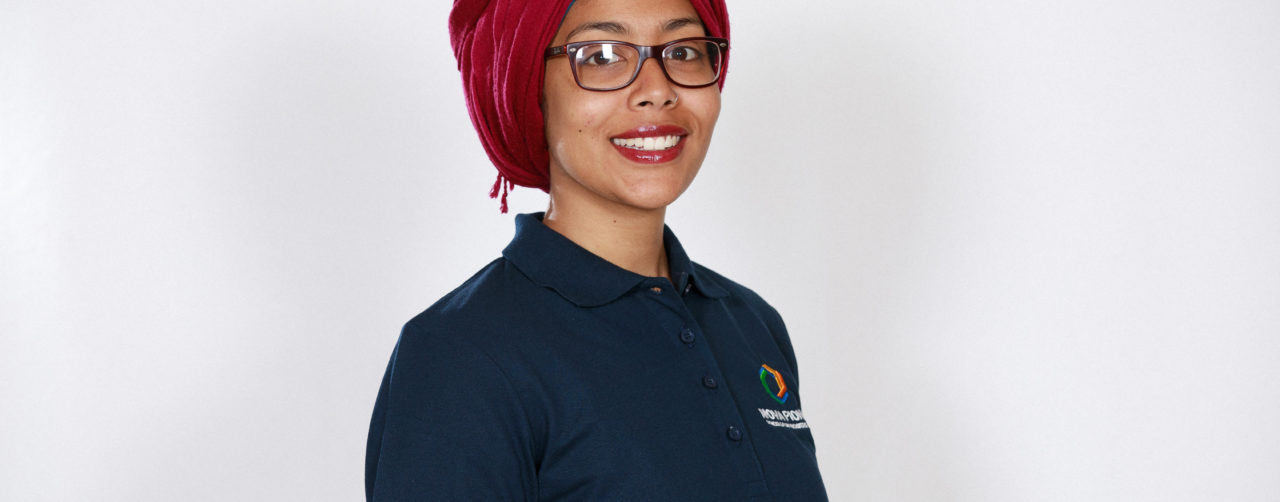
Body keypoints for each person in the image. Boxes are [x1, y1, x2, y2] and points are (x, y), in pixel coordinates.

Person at [365, 0, 828, 499]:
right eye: (602, 56)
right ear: (531, 92)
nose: (657, 90)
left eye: (684, 51)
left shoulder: (751, 322)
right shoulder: (458, 354)